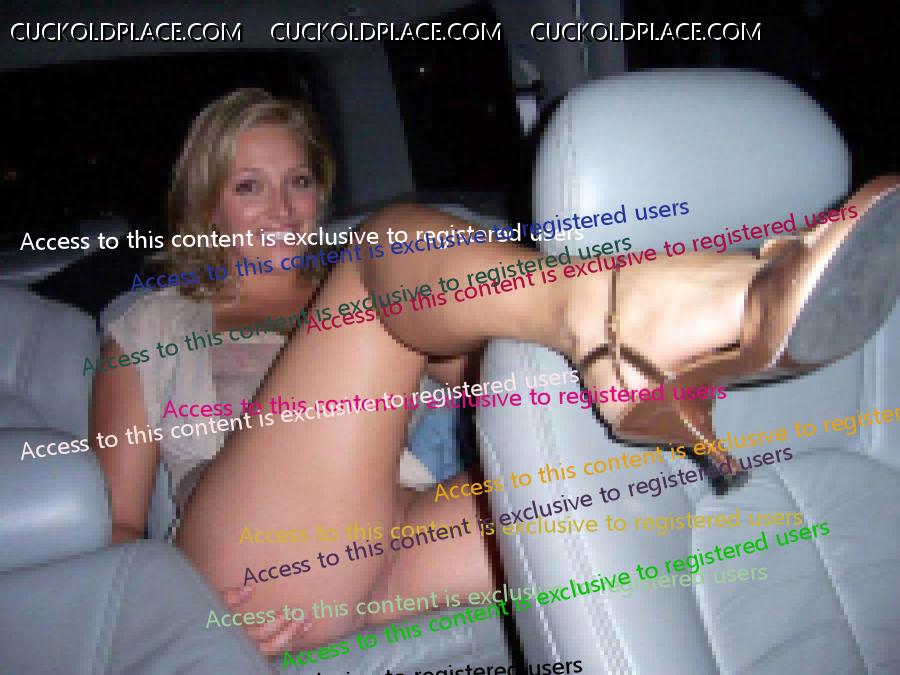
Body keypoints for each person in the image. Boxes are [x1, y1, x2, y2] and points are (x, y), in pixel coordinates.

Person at [91, 88, 899, 656]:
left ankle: (670, 325)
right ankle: (633, 313)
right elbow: (118, 531)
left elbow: (486, 375)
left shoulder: (372, 293)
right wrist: (181, 621)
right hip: (250, 567)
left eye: (299, 181)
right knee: (384, 251)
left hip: (402, 536)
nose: (283, 208)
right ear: (206, 202)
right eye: (249, 187)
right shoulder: (150, 323)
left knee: (644, 506)